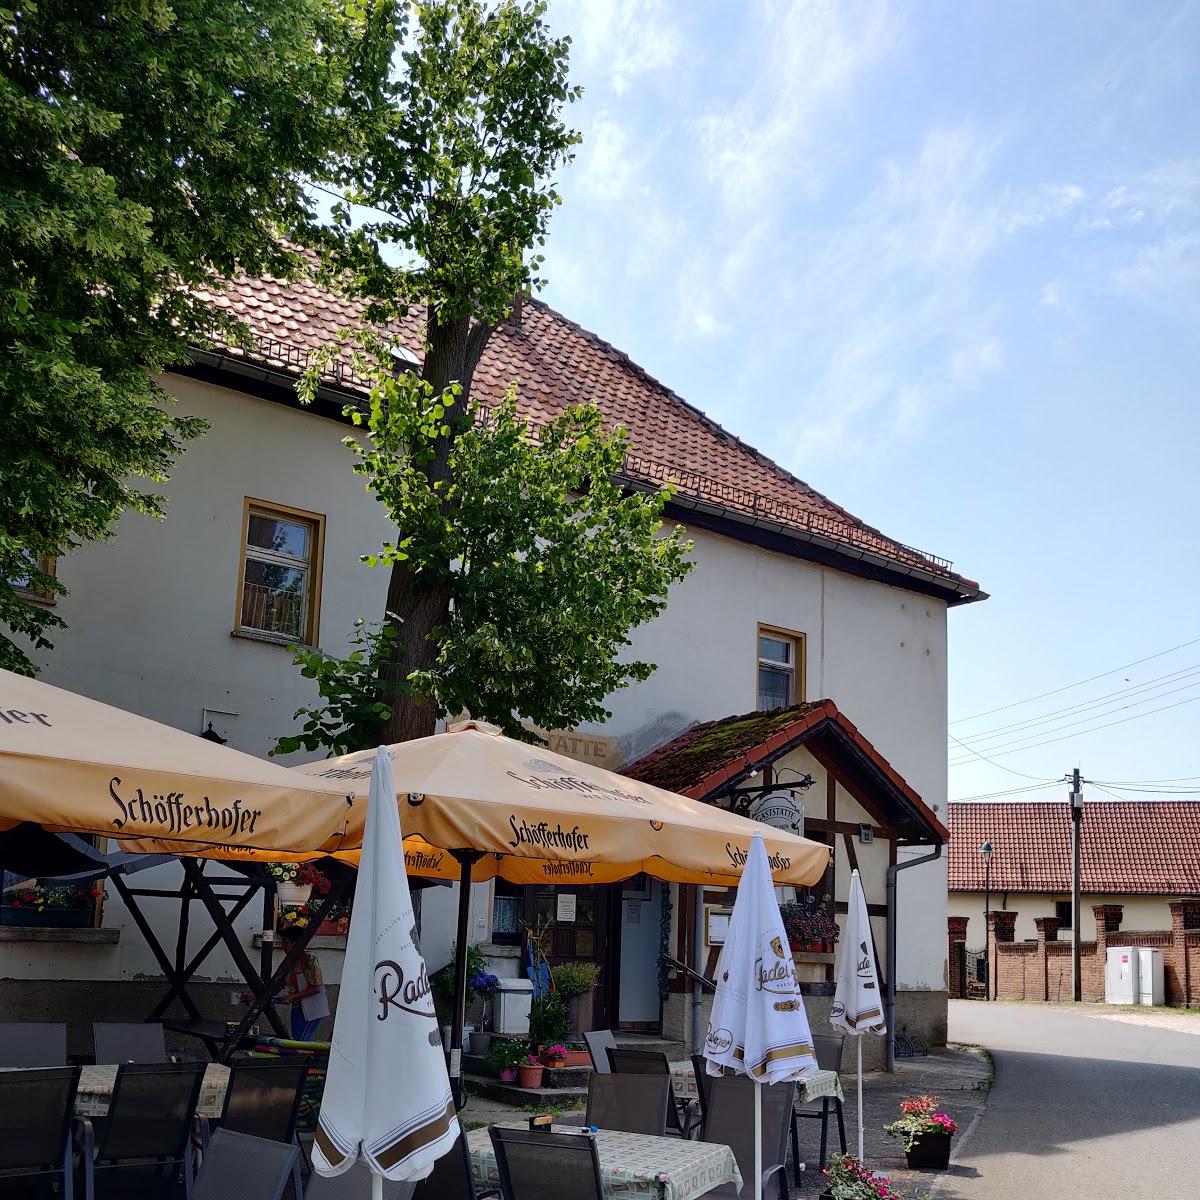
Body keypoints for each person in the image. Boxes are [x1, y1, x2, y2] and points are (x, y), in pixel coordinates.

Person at [278, 924, 330, 1041]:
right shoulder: (291, 961)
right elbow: (281, 983)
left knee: (301, 1040)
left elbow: (316, 988)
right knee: (297, 1039)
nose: (283, 946)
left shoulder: (309, 960)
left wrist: (293, 996)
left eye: (285, 942)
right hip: (297, 1007)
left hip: (312, 1007)